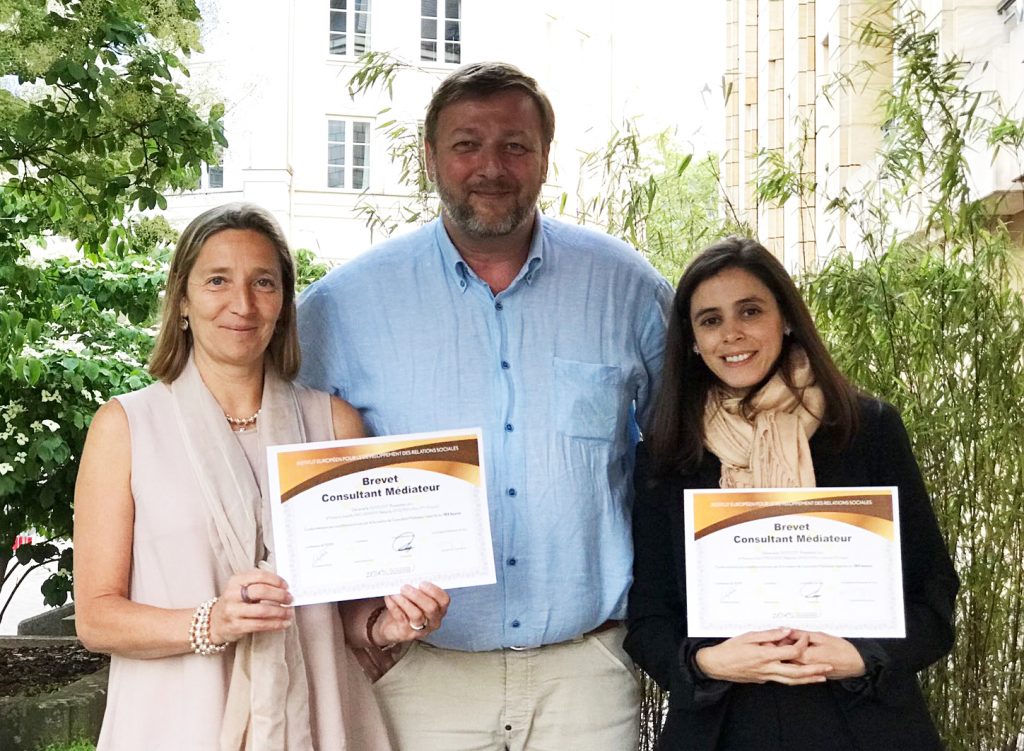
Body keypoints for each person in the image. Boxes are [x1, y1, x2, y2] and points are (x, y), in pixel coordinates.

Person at [297, 62, 673, 750]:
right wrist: (354, 617)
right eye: (467, 144)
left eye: (515, 145)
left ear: (545, 158)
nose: (490, 166)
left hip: (585, 671)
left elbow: (686, 449)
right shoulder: (342, 308)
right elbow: (293, 474)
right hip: (421, 673)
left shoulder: (627, 288)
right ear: (430, 158)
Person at [73, 202, 449, 751]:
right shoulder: (125, 426)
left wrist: (386, 626)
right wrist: (212, 622)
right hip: (176, 720)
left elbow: (340, 605)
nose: (242, 304)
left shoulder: (335, 423)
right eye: (217, 280)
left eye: (264, 282)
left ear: (284, 304)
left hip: (316, 715)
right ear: (182, 298)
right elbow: (97, 619)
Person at [624, 236, 959, 750]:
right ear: (691, 339)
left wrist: (864, 655)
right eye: (710, 320)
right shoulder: (669, 454)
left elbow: (933, 597)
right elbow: (649, 619)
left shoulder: (865, 429)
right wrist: (706, 662)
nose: (731, 333)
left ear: (785, 318)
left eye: (750, 311)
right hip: (723, 724)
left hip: (861, 722)